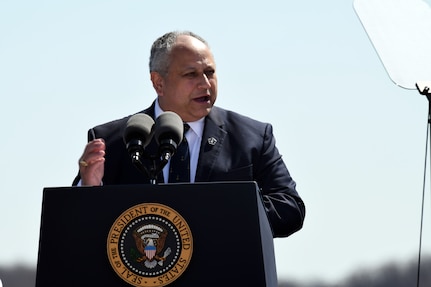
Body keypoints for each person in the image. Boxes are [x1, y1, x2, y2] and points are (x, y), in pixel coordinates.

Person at [73, 30, 305, 238]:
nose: (205, 84)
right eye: (191, 74)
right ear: (158, 83)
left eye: (210, 72)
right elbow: (76, 223)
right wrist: (88, 190)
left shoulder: (252, 137)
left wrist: (222, 212)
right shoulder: (114, 140)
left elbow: (290, 208)